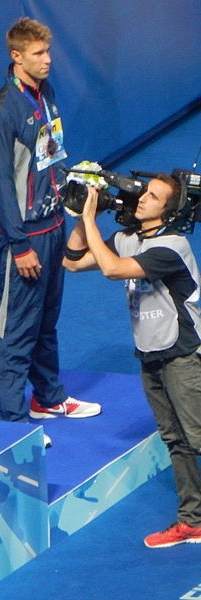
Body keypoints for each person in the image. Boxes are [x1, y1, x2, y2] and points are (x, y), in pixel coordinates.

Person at [63, 175, 201, 548]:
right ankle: (193, 520)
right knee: (176, 439)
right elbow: (73, 261)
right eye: (144, 192)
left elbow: (112, 270)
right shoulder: (128, 239)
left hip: (184, 355)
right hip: (150, 353)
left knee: (198, 436)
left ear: (168, 211)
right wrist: (81, 214)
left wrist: (91, 220)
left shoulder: (172, 246)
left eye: (153, 197)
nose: (142, 199)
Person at [0, 17, 101, 427]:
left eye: (47, 51)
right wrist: (19, 244)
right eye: (38, 53)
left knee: (46, 321)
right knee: (15, 330)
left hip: (52, 227)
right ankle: (11, 424)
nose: (48, 60)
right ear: (16, 57)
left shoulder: (45, 93)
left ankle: (47, 397)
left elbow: (50, 154)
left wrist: (72, 192)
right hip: (25, 237)